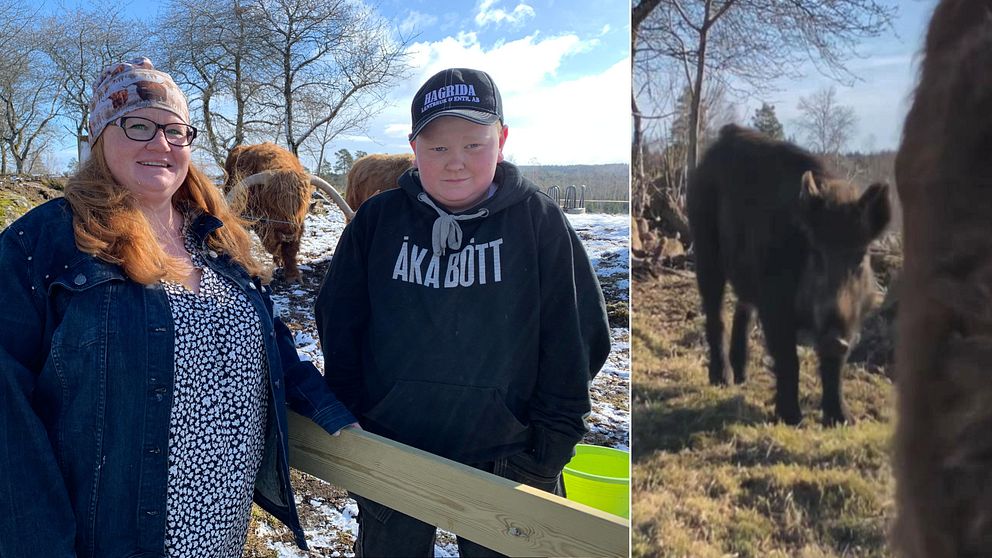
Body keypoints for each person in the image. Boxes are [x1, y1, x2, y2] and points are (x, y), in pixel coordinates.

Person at [0, 57, 357, 557]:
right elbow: (8, 421)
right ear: (100, 136)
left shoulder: (214, 237)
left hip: (220, 529)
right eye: (138, 125)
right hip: (112, 536)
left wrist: (338, 415)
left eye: (175, 130)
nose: (160, 143)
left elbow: (269, 342)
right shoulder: (41, 245)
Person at [315, 67, 612, 556]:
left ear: (502, 139)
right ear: (414, 149)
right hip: (392, 445)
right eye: (437, 148)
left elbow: (576, 339)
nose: (456, 163)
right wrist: (355, 434)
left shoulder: (538, 221)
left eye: (474, 145)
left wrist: (547, 452)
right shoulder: (377, 221)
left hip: (510, 453)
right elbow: (340, 326)